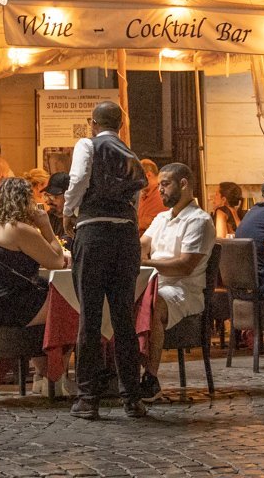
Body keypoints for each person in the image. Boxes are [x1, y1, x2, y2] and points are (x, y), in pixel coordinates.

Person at [63, 101, 147, 420]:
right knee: (124, 318)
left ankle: (88, 399)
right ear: (121, 125)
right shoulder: (129, 153)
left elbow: (79, 178)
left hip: (93, 233)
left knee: (91, 317)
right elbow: (136, 196)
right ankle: (132, 399)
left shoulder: (87, 144)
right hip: (126, 236)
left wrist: (68, 211)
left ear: (93, 123)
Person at [0, 177, 65, 392]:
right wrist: (46, 228)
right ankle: (54, 377)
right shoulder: (19, 229)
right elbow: (57, 262)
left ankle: (43, 375)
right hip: (9, 306)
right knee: (66, 303)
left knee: (49, 297)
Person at [139, 162, 215, 403]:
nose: (159, 190)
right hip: (154, 282)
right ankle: (116, 373)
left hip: (183, 290)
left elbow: (185, 265)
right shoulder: (161, 218)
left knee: (154, 302)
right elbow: (143, 244)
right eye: (159, 184)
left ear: (183, 184)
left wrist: (145, 264)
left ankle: (150, 378)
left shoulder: (199, 221)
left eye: (165, 184)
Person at [136, 159, 165, 234]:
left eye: (137, 177)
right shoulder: (144, 194)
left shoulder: (162, 196)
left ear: (148, 175)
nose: (135, 181)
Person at [42, 172, 69, 239]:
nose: (48, 202)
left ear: (67, 196)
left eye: (53, 197)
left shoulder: (75, 222)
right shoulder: (49, 217)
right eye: (47, 195)